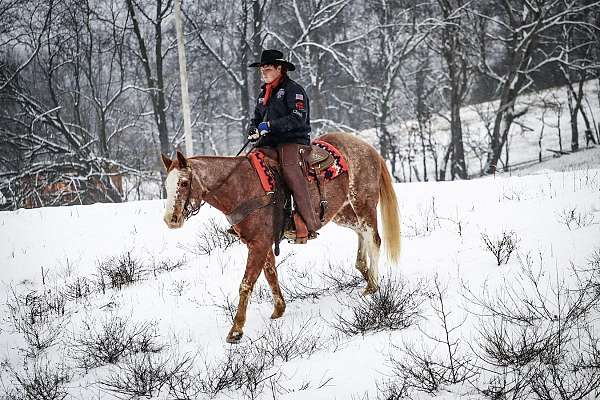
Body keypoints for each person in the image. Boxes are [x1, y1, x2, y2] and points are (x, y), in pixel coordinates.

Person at [247, 49, 321, 240]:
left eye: (268, 69)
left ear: (280, 68)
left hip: (293, 141)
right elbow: (256, 118)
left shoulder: (293, 90)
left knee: (290, 171)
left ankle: (306, 223)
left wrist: (270, 125)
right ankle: (248, 218)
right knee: (246, 167)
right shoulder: (263, 93)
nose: (263, 73)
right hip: (269, 143)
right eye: (262, 69)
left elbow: (298, 118)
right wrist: (253, 130)